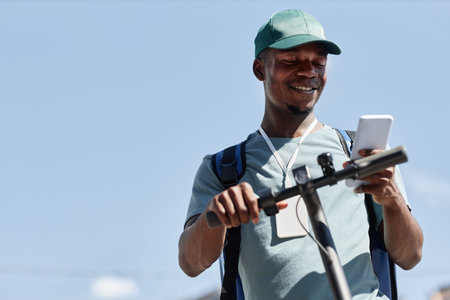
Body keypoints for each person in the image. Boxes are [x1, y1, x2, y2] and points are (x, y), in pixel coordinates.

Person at [178, 9, 423, 300]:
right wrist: (213, 215)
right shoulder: (224, 169)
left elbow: (410, 256)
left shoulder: (358, 153)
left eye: (318, 62)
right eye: (291, 61)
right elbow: (191, 263)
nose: (309, 72)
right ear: (260, 69)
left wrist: (392, 200)